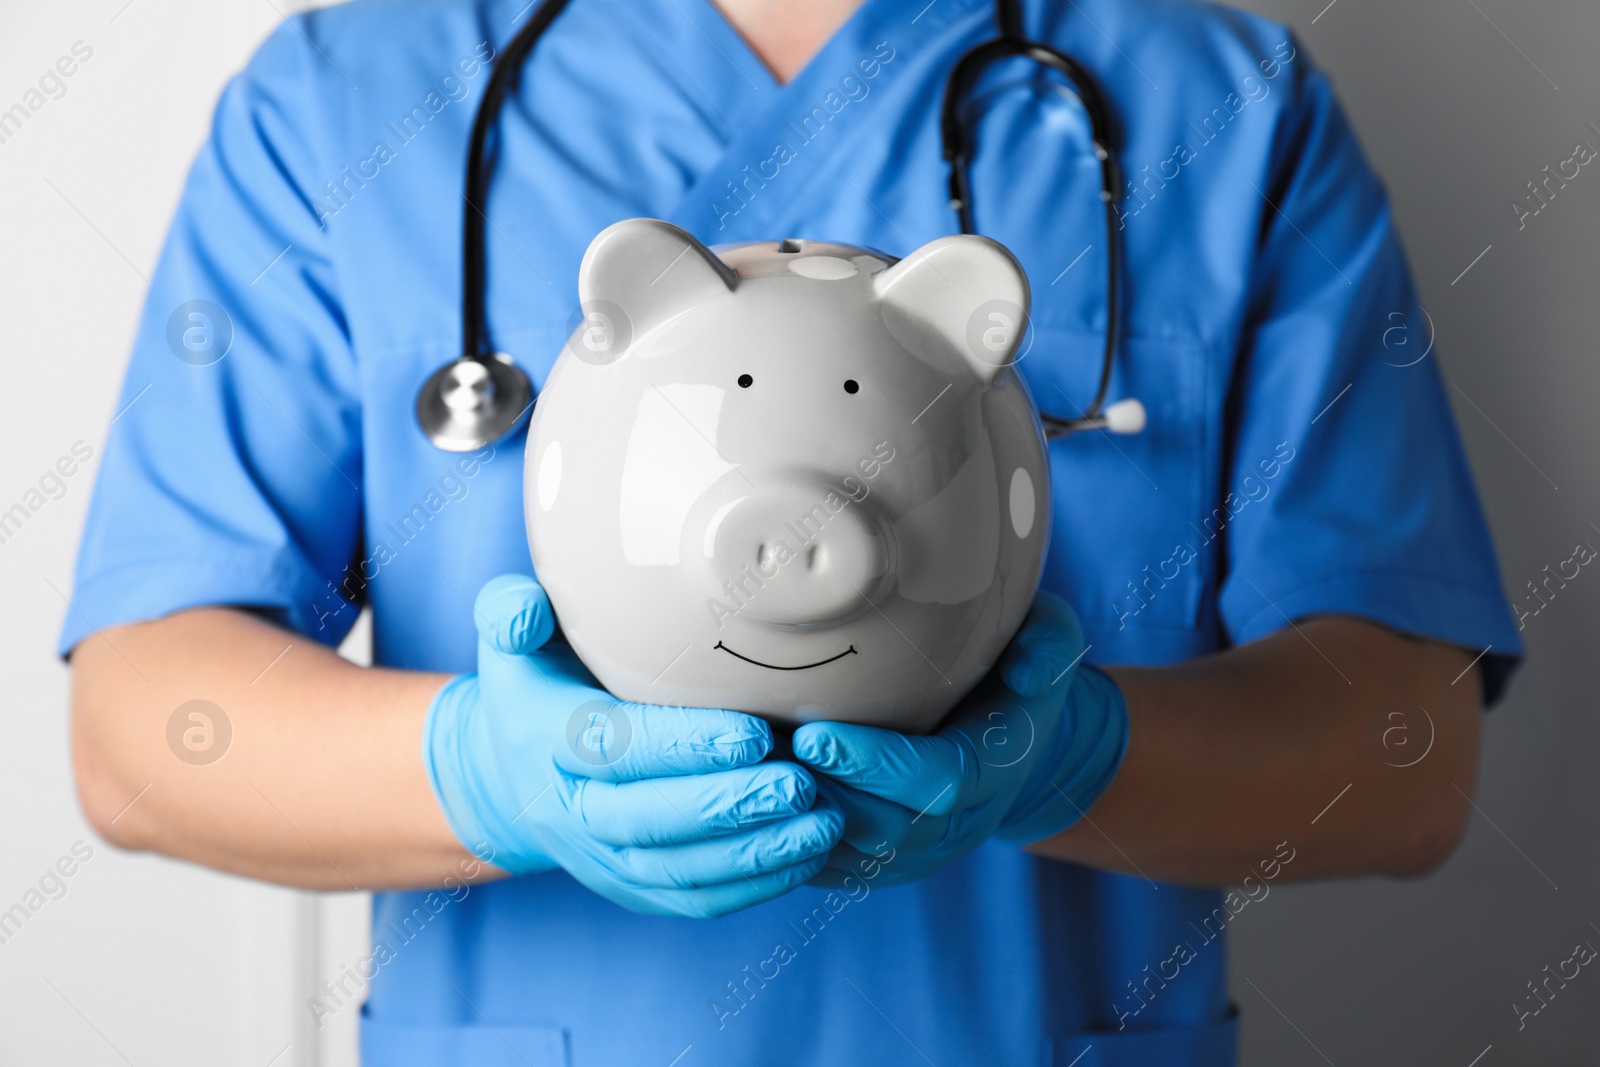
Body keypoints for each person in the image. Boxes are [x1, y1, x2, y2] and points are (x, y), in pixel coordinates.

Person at [64, 0, 1521, 1063]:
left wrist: (1068, 762)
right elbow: (146, 726)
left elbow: (1407, 752)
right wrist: (493, 780)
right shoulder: (344, 103)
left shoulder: (1220, 104)